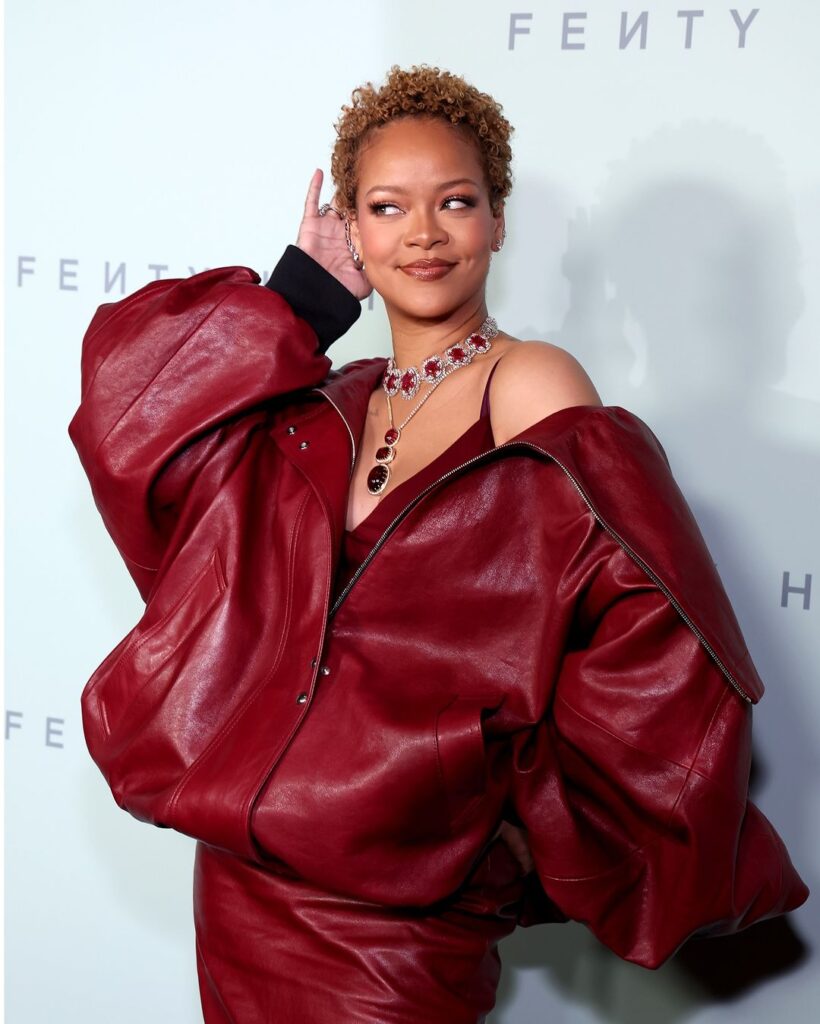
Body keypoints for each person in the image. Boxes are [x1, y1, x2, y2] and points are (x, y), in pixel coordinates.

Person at [68, 64, 808, 1022]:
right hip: (245, 880)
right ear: (352, 228)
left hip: (400, 910)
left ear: (497, 221)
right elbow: (131, 424)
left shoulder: (531, 383)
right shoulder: (326, 402)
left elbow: (646, 624)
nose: (422, 233)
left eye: (455, 201)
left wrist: (518, 805)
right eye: (387, 207)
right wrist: (301, 300)